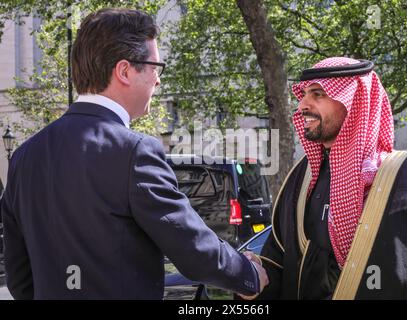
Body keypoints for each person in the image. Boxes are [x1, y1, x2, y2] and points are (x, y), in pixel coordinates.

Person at [0, 8, 268, 299]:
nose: (158, 80)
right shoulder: (135, 151)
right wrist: (249, 274)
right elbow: (193, 248)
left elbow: (19, 276)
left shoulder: (25, 155)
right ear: (124, 71)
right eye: (155, 67)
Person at [246, 57, 407, 299]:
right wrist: (249, 273)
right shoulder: (302, 175)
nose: (302, 106)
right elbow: (279, 257)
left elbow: (400, 275)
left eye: (318, 94)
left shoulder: (395, 174)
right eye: (304, 94)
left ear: (355, 103)